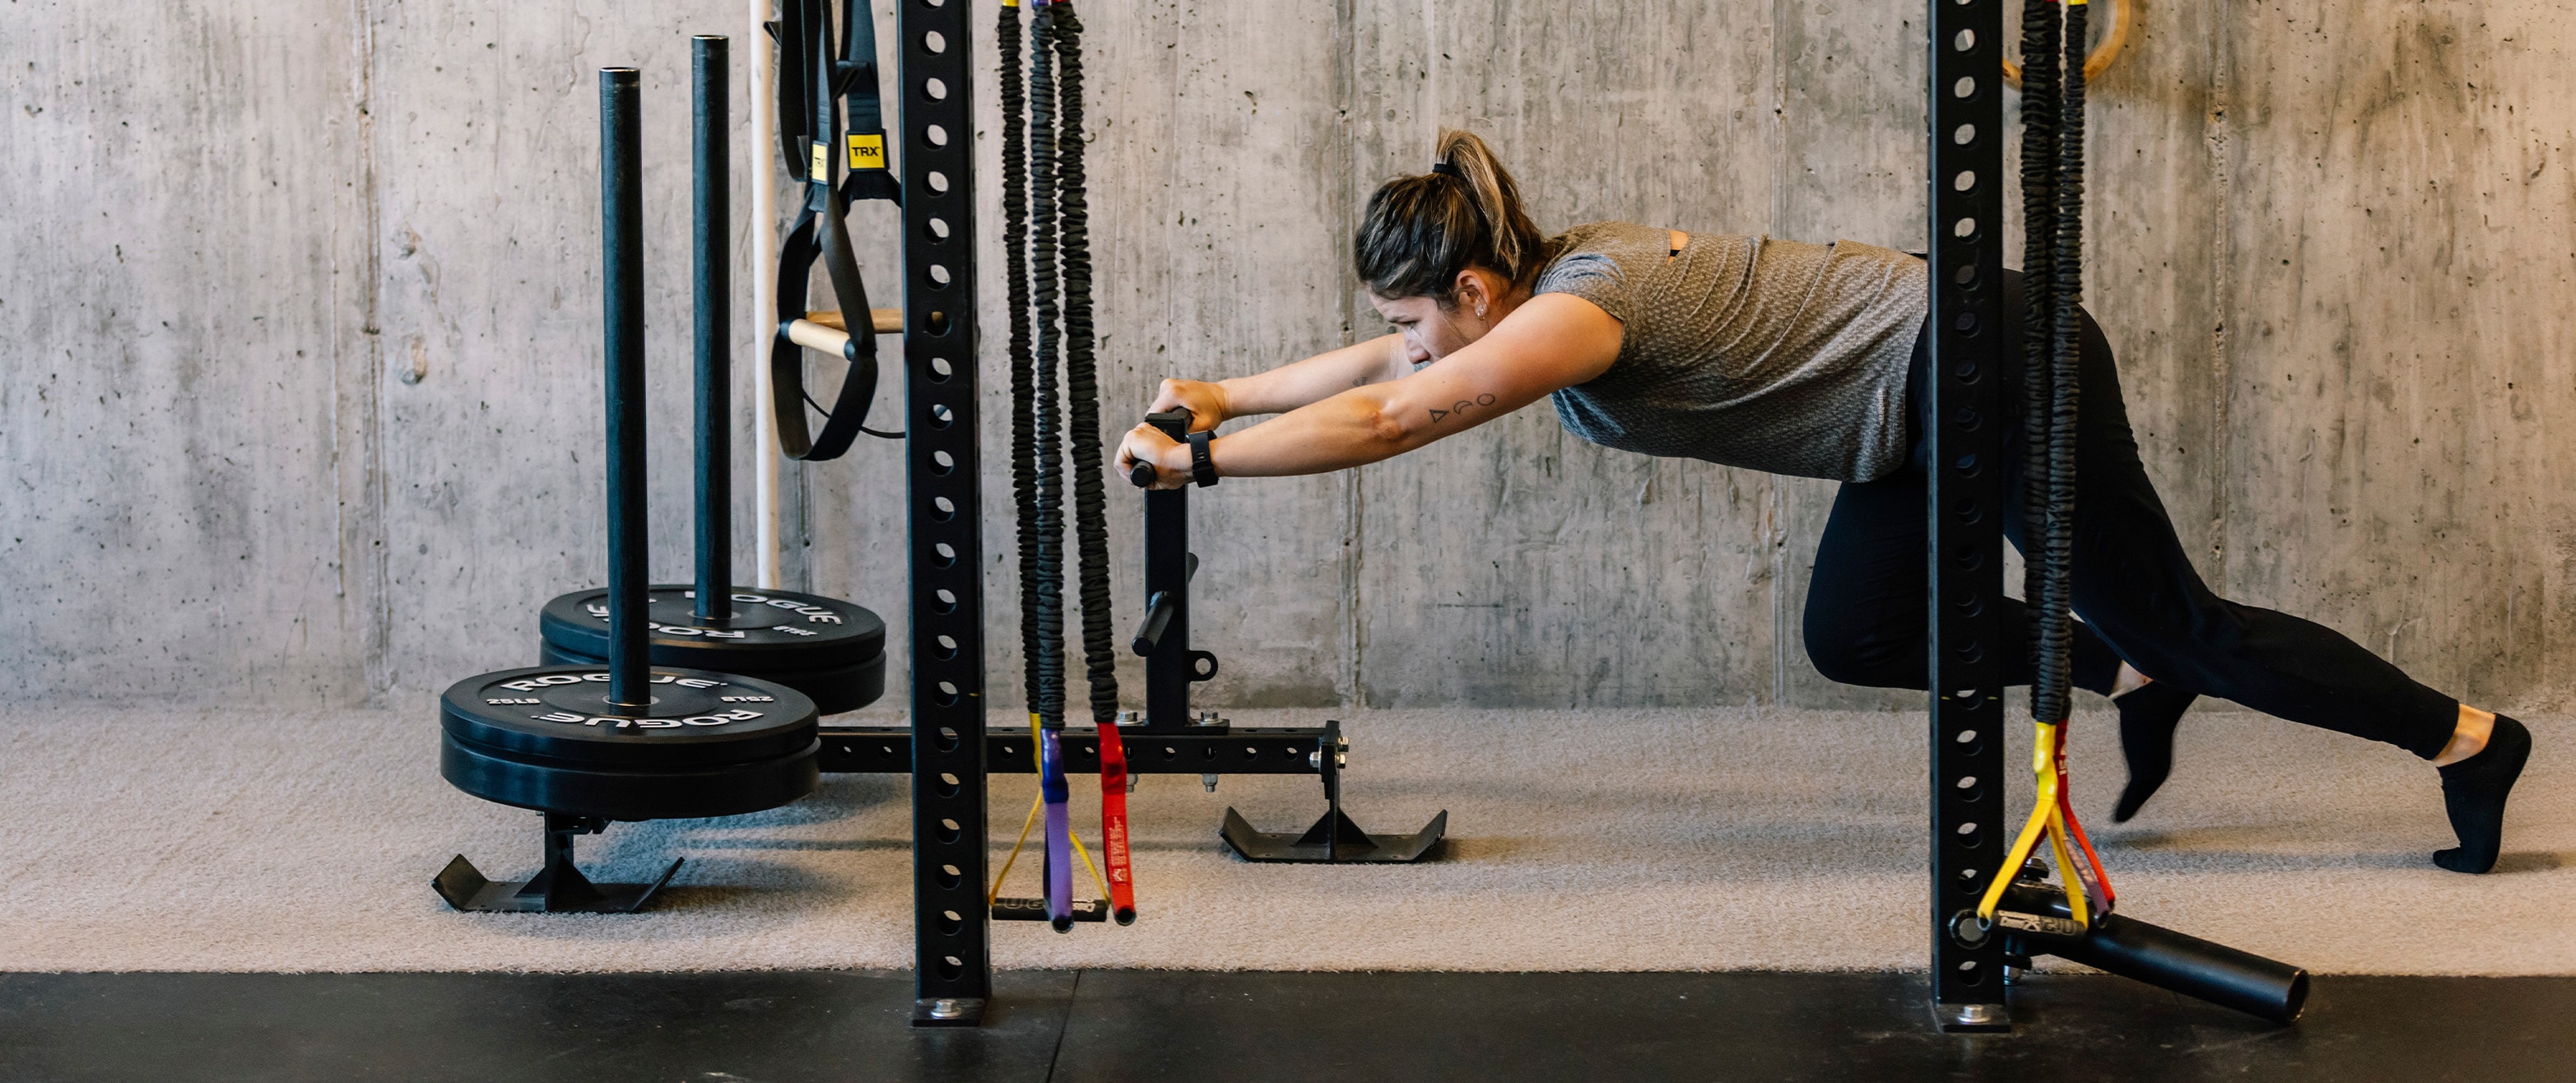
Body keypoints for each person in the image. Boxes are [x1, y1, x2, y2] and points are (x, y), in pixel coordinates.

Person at [1114, 129, 2532, 874]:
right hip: (1911, 410)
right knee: (1855, 634)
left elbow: (1391, 411)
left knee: (2198, 622)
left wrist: (1201, 466)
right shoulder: (1530, 281)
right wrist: (1222, 394)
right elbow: (1379, 362)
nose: (1410, 336)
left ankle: (2464, 737)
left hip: (1991, 362)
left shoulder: (1564, 320)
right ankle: (2117, 665)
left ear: (1475, 289)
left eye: (1421, 313)